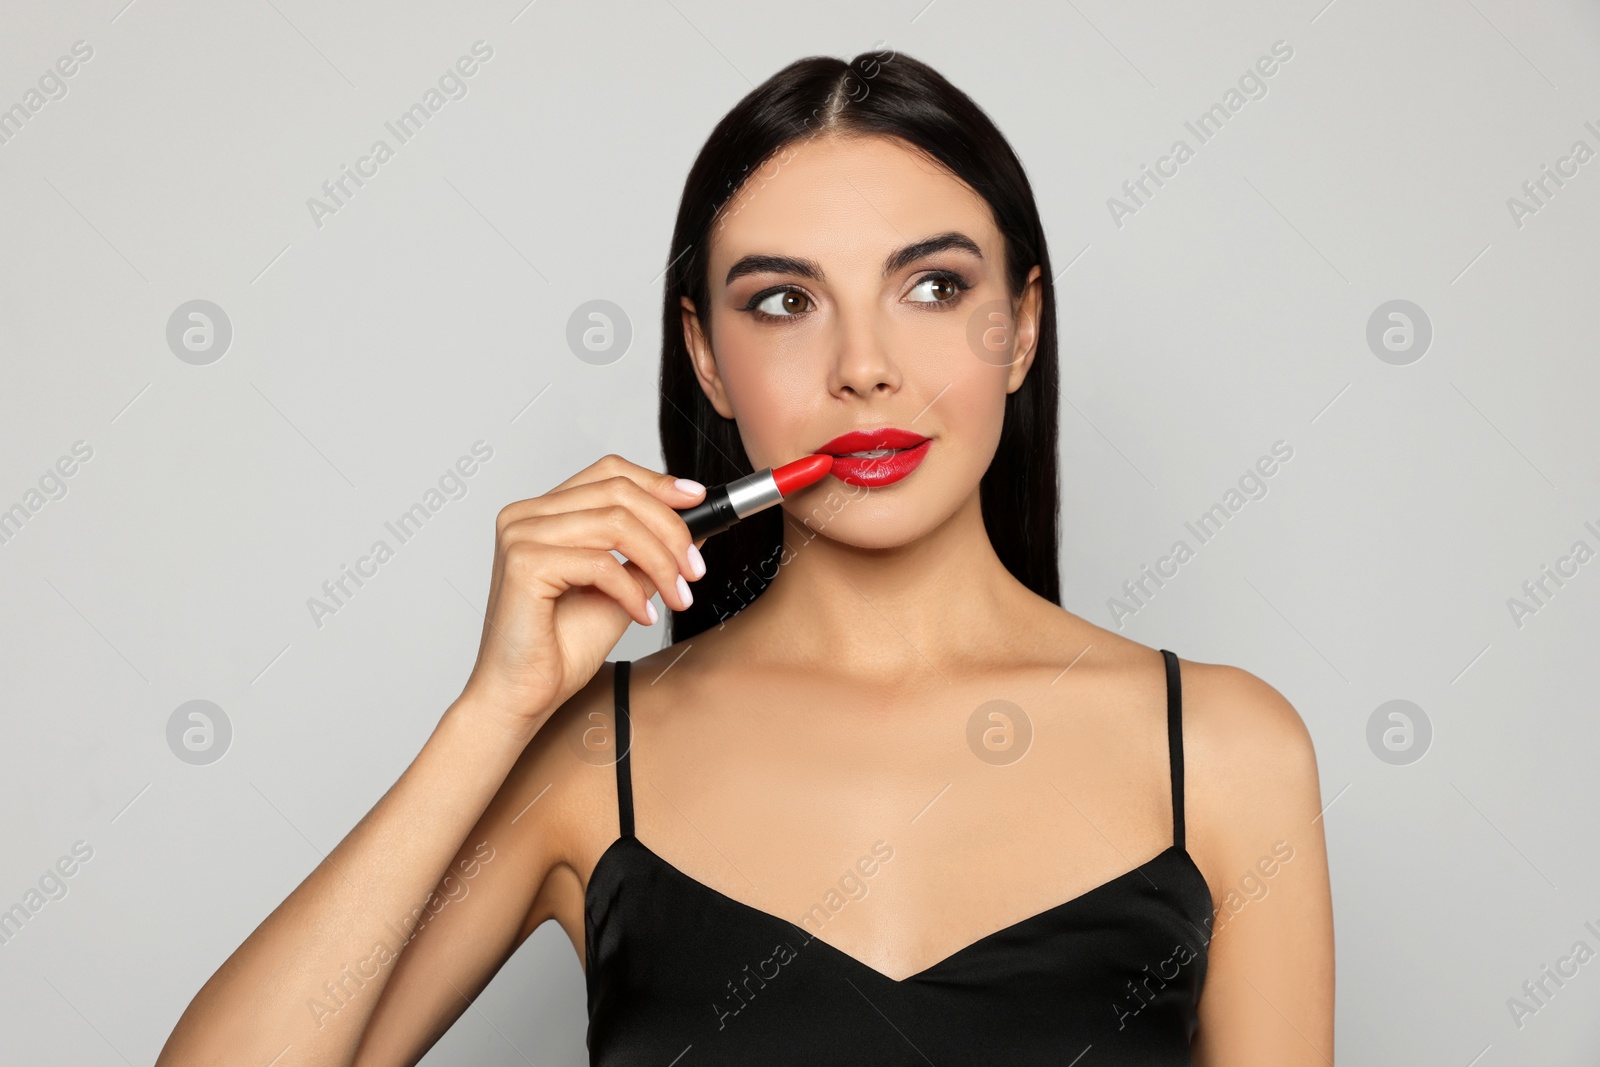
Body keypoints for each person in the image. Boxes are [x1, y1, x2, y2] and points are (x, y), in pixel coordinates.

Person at [158, 50, 1334, 1066]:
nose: (863, 366)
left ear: (1020, 326)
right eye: (783, 301)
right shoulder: (583, 755)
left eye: (932, 287)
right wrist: (493, 709)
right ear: (707, 359)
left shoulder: (1225, 751)